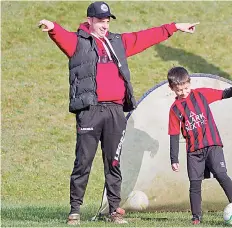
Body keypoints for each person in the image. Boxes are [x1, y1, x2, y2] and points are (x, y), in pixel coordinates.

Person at [38, 1, 199, 225]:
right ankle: (75, 210)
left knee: (113, 163)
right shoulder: (77, 42)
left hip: (115, 111)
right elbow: (61, 35)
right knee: (83, 162)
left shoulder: (117, 42)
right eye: (101, 21)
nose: (105, 25)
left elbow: (145, 37)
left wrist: (174, 27)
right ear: (90, 20)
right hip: (90, 111)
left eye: (107, 21)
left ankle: (114, 210)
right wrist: (52, 27)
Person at [167, 66, 232, 225]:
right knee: (195, 184)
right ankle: (196, 217)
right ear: (172, 88)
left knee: (221, 174)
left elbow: (223, 94)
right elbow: (174, 134)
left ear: (190, 83)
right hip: (194, 152)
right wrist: (174, 159)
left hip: (212, 145)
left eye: (186, 88)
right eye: (179, 90)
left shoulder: (200, 95)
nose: (183, 92)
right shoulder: (175, 109)